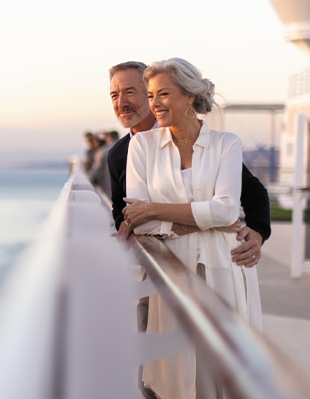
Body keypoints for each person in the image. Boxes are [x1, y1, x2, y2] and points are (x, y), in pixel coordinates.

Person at [121, 58, 263, 399]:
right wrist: (204, 220)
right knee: (176, 372)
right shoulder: (142, 146)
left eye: (164, 94)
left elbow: (227, 208)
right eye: (151, 95)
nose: (154, 103)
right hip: (172, 269)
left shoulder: (226, 143)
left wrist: (157, 210)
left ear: (189, 96)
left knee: (223, 368)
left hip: (224, 266)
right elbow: (137, 217)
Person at [106, 61, 271, 266]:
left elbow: (250, 193)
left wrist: (258, 231)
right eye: (114, 95)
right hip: (160, 264)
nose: (121, 103)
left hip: (221, 260)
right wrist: (211, 225)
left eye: (129, 92)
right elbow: (127, 216)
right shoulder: (118, 154)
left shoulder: (219, 144)